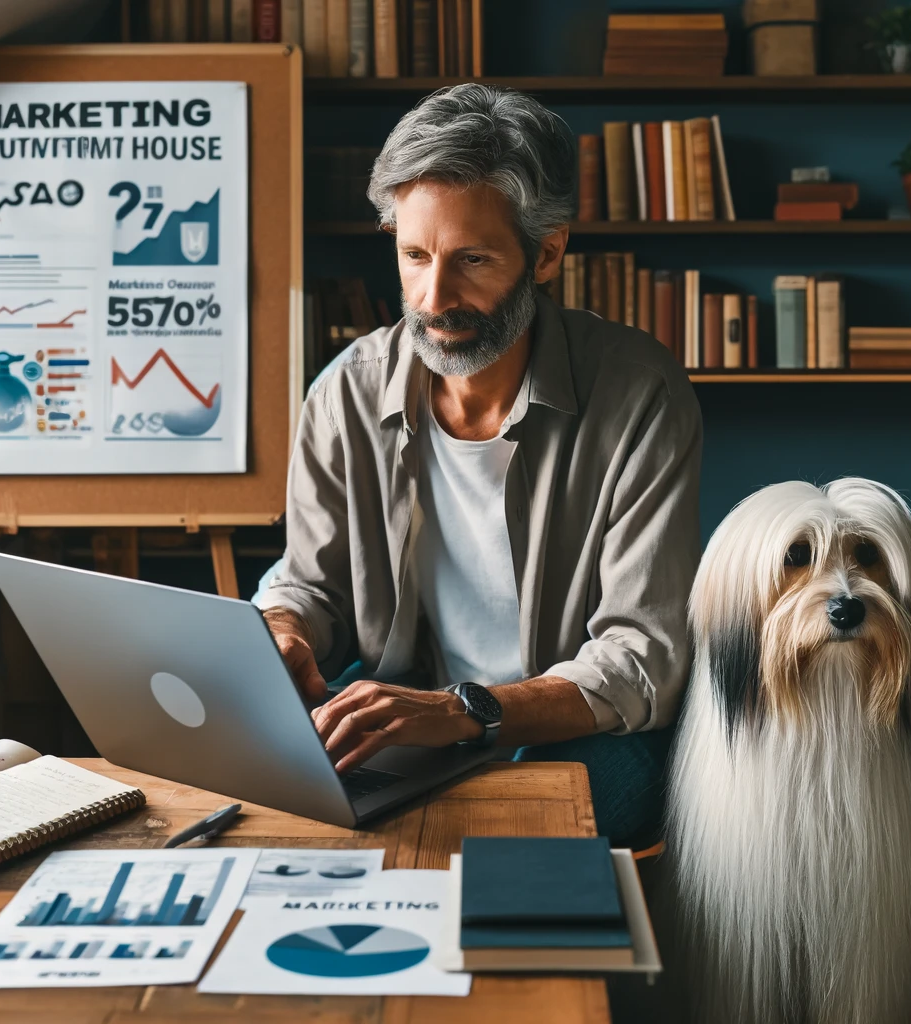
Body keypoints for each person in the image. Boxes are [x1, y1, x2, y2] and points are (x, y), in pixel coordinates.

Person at [256, 83, 702, 847]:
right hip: (408, 716)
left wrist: (463, 713)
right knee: (275, 803)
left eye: (473, 260)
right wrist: (284, 629)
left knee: (521, 827)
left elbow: (644, 657)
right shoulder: (343, 395)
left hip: (576, 724)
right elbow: (311, 583)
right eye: (415, 256)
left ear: (548, 251)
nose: (434, 298)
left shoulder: (639, 393)